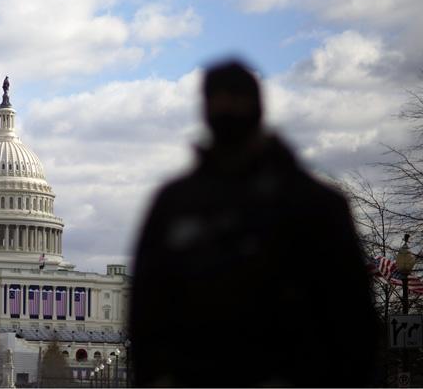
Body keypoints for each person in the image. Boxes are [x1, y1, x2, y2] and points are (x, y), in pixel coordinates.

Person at [130, 59, 378, 387]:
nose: (227, 110)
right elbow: (146, 314)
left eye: (236, 99)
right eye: (218, 99)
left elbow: (352, 318)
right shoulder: (174, 203)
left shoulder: (315, 204)